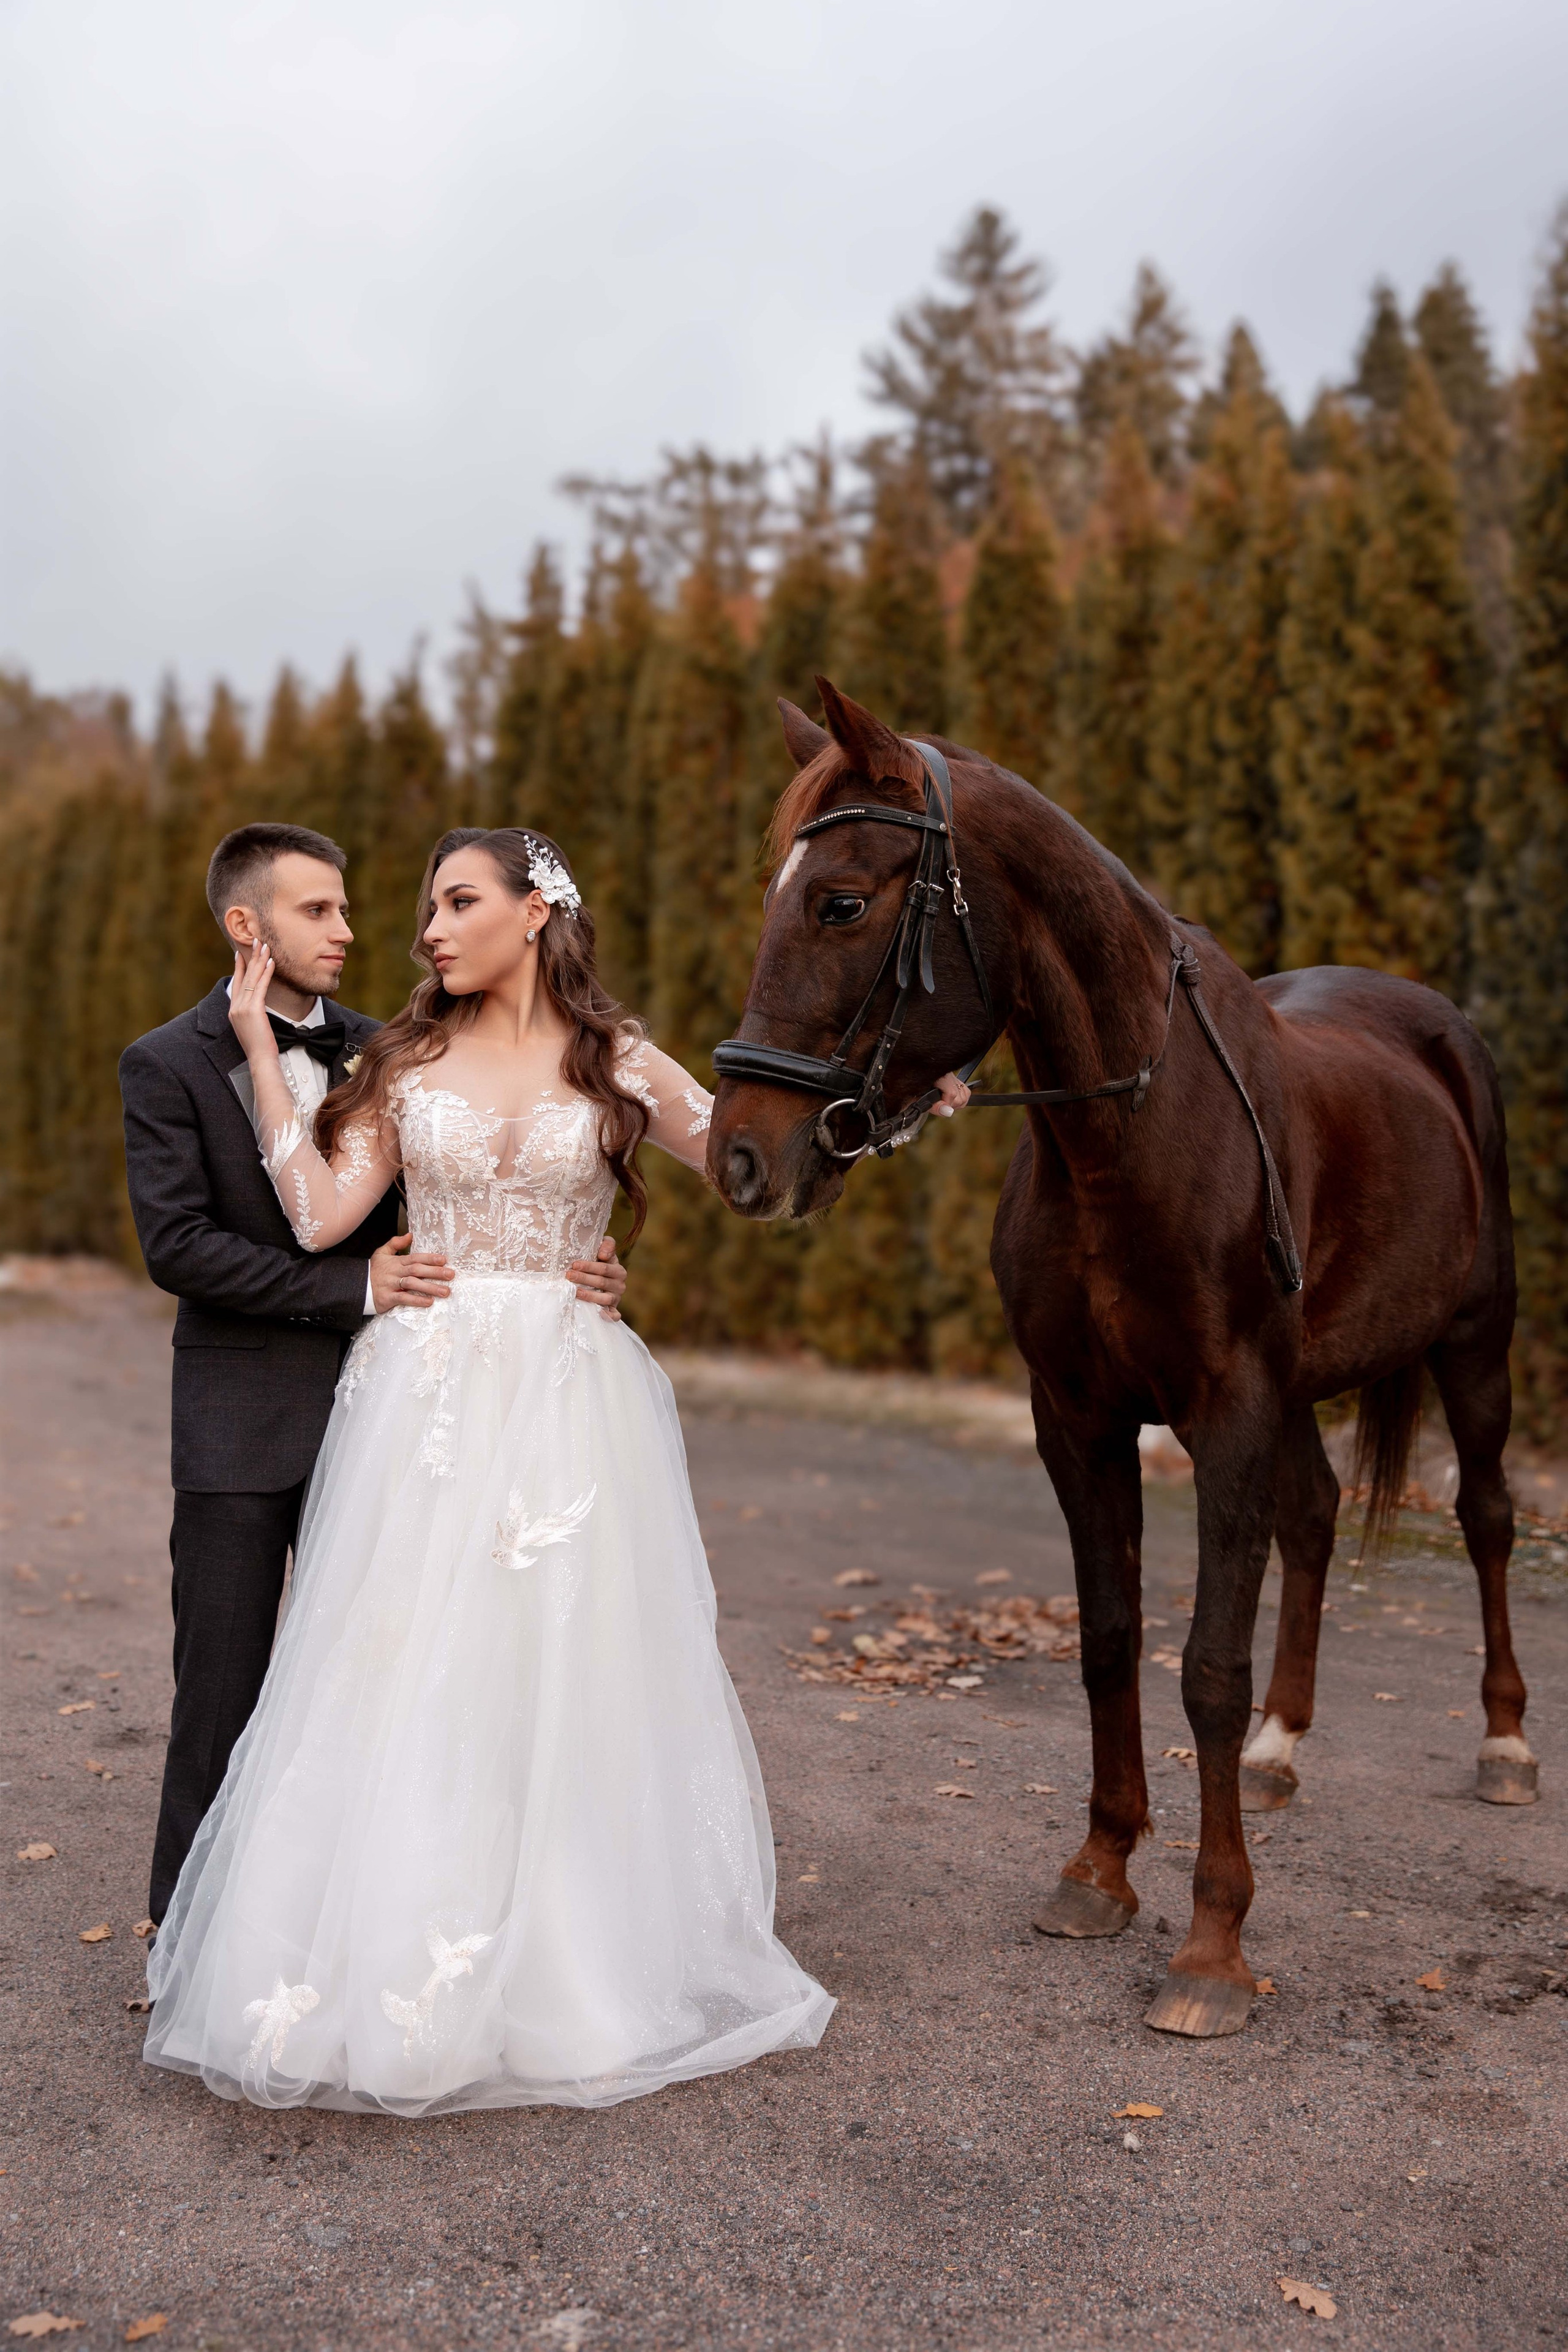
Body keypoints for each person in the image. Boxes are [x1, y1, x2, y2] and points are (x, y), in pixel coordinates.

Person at [142, 825, 835, 2111]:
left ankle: (568, 1955)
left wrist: (885, 1100)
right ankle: (393, 1946)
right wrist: (254, 1048)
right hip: (430, 1394)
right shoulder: (400, 1059)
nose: (426, 931)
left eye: (455, 902)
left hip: (574, 1393)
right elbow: (315, 1218)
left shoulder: (616, 1057)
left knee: (565, 1668)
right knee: (410, 1665)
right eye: (423, 910)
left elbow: (756, 1166)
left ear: (535, 911)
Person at [119, 823, 629, 1928]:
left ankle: (391, 1921)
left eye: (352, 909)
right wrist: (357, 1293)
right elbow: (179, 1249)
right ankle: (191, 1935)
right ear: (245, 926)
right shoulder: (165, 1061)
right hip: (244, 1420)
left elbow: (508, 1164)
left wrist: (583, 1255)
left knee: (402, 1680)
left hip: (411, 1414)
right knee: (224, 1690)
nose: (352, 933)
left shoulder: (396, 1043)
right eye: (318, 913)